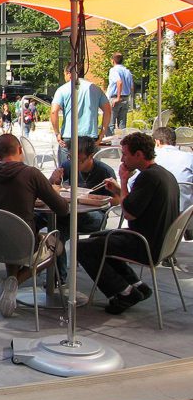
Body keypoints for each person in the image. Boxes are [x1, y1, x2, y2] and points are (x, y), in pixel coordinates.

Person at [78, 131, 179, 314]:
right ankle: (136, 285)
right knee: (96, 238)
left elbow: (130, 213)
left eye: (125, 154)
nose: (122, 159)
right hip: (162, 242)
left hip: (145, 243)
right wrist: (118, 189)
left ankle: (124, 293)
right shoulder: (164, 174)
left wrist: (123, 181)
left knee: (82, 248)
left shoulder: (147, 177)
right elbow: (138, 203)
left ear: (139, 155)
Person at [0, 133, 68, 317]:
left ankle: (9, 281)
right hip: (24, 245)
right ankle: (13, 282)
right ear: (20, 150)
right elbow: (62, 209)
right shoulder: (31, 174)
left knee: (10, 234)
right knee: (57, 247)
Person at [48, 136, 117, 281]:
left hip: (95, 215)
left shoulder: (104, 171)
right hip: (71, 214)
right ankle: (58, 276)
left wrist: (97, 200)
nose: (74, 162)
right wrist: (53, 179)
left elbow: (117, 201)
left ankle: (57, 274)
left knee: (59, 223)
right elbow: (51, 188)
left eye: (80, 160)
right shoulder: (68, 166)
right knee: (54, 229)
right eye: (70, 157)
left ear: (91, 156)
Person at [50, 64, 110, 163]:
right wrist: (102, 133)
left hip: (69, 136)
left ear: (69, 74)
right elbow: (107, 110)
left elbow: (53, 111)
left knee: (67, 172)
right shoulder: (95, 88)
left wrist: (57, 133)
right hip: (90, 136)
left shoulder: (62, 89)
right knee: (91, 173)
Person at [151, 127, 193, 213]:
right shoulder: (189, 157)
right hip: (186, 215)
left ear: (157, 142)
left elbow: (133, 183)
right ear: (175, 142)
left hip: (157, 216)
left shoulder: (150, 158)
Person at [107, 52, 134, 135]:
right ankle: (123, 144)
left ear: (113, 60)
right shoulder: (127, 71)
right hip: (125, 98)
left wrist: (118, 97)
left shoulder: (114, 70)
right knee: (122, 125)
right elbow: (132, 86)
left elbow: (119, 82)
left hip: (115, 98)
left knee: (110, 124)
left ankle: (110, 144)